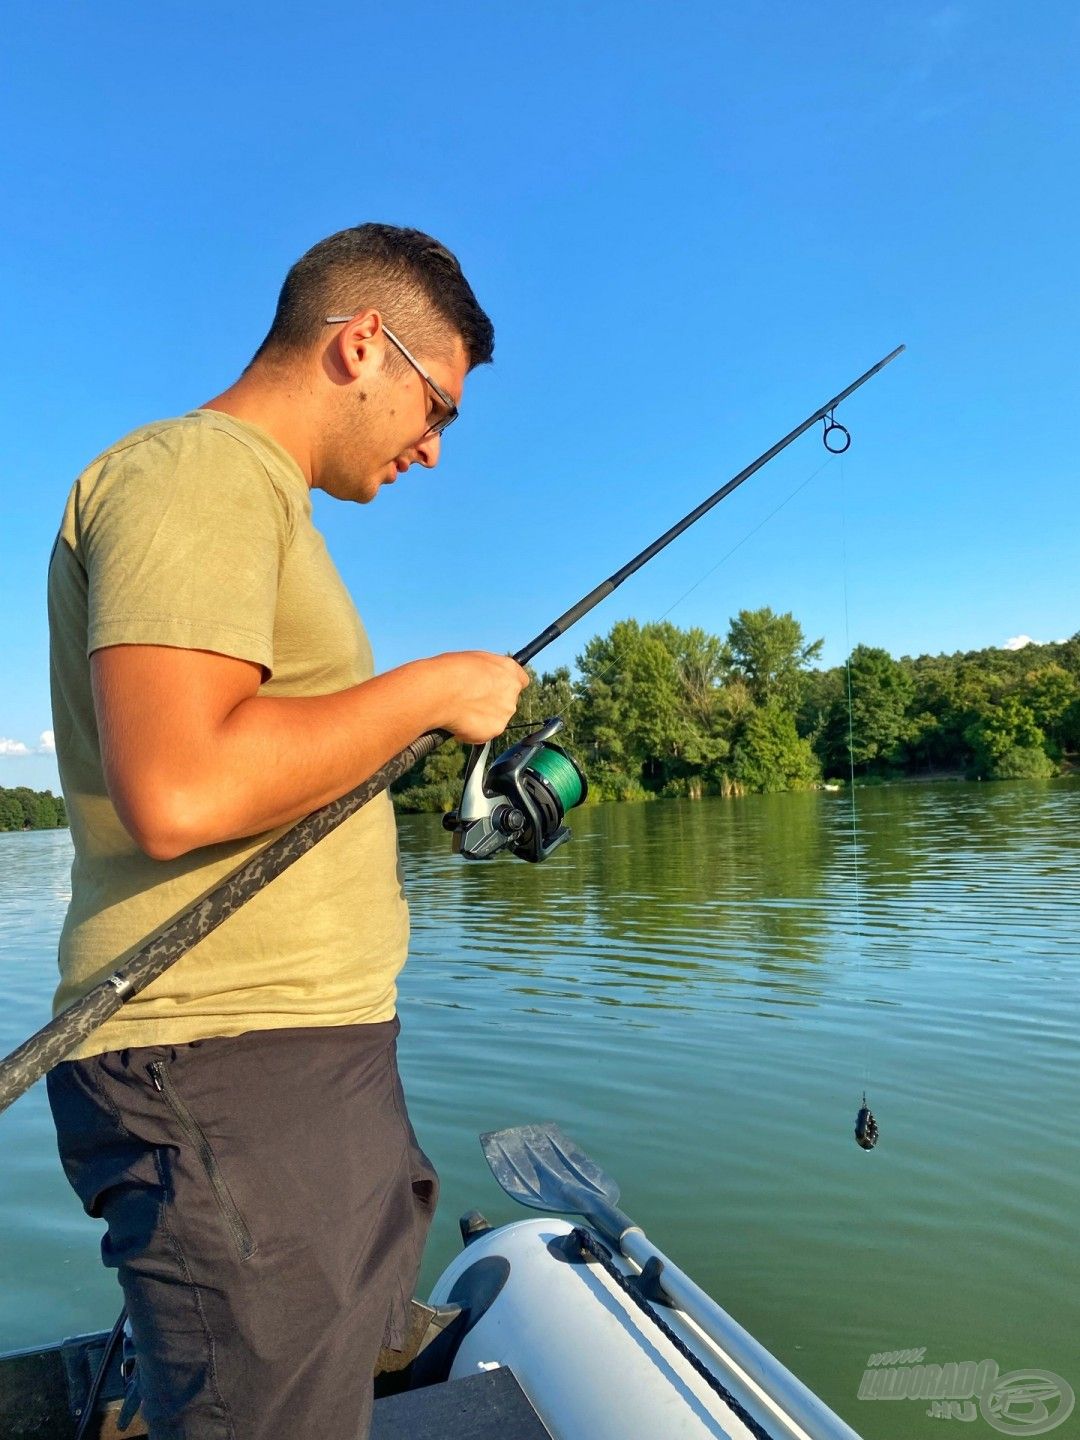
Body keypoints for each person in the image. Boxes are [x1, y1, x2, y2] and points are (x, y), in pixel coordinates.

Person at [44, 223, 529, 1439]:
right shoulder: (195, 473)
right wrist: (430, 691)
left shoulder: (265, 508)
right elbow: (182, 787)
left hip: (298, 1064)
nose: (431, 449)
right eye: (438, 410)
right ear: (361, 346)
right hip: (221, 1073)